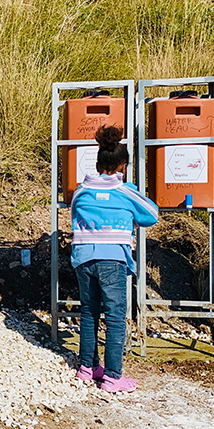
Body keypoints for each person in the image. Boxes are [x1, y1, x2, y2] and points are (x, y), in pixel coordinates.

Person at [71, 126, 158, 393]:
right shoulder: (125, 191)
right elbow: (151, 215)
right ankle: (112, 376)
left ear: (97, 163)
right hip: (113, 260)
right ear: (123, 166)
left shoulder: (80, 190)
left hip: (84, 258)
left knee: (89, 312)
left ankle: (87, 367)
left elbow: (75, 213)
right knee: (116, 316)